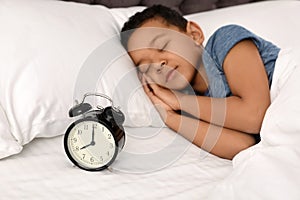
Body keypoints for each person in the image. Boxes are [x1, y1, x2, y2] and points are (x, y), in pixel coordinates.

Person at [120, 5, 280, 160]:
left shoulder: (224, 41)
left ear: (194, 34)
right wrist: (169, 117)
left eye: (162, 47)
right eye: (146, 67)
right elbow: (244, 146)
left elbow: (255, 116)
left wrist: (178, 101)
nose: (158, 65)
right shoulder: (193, 107)